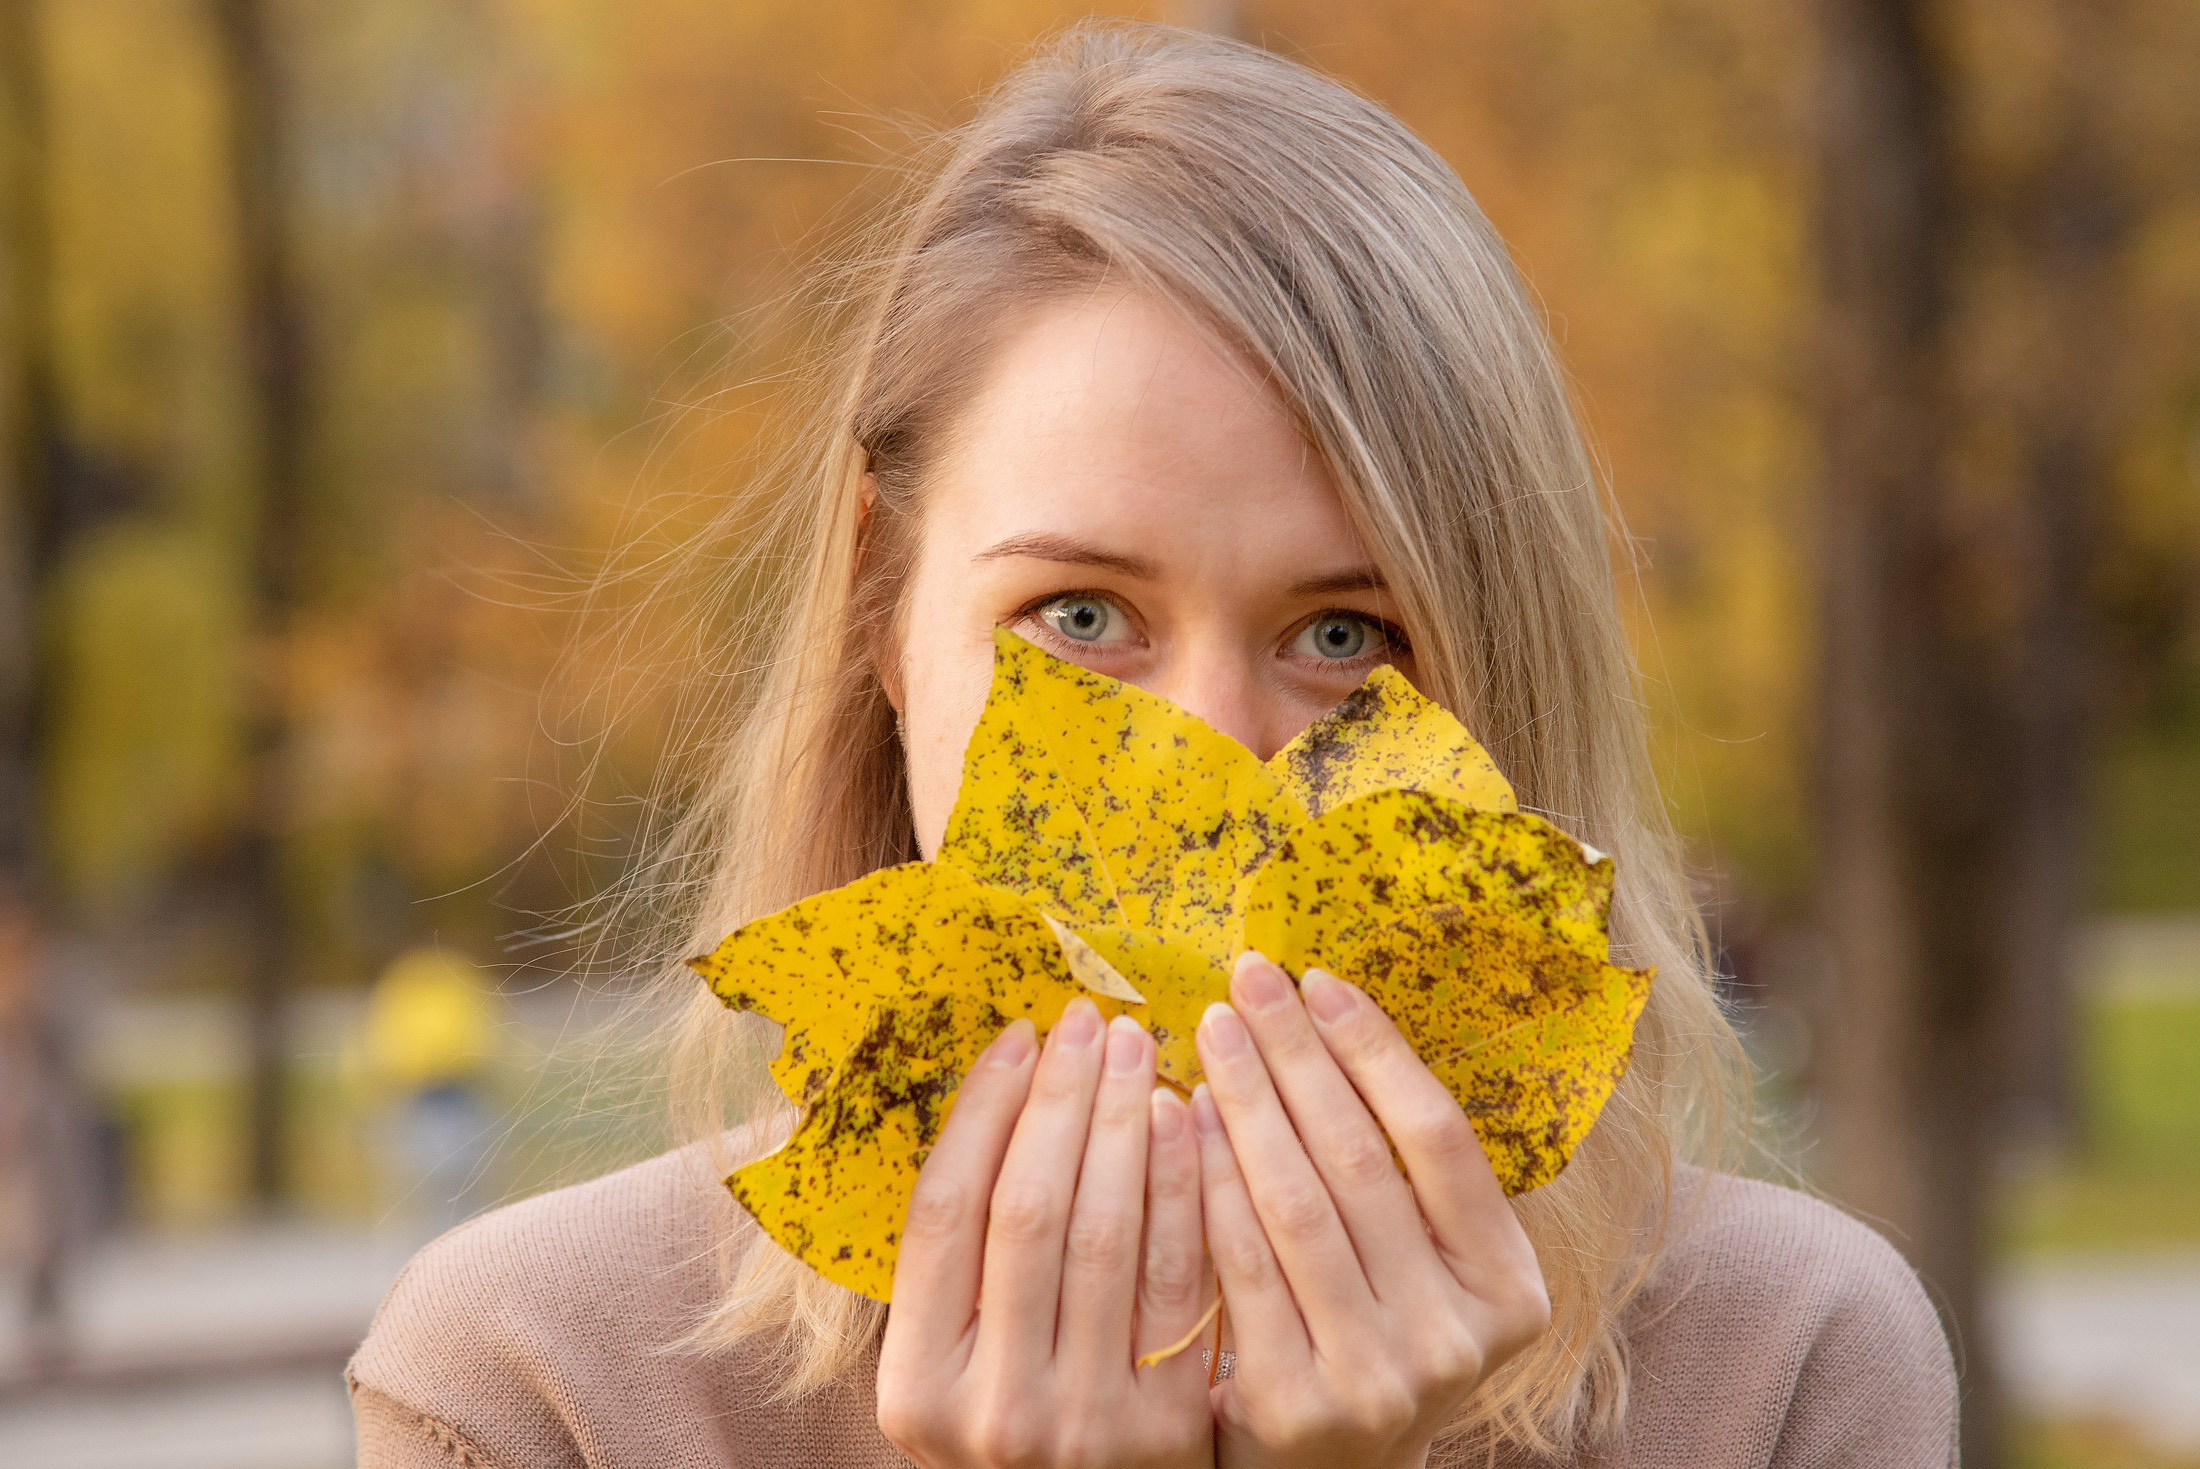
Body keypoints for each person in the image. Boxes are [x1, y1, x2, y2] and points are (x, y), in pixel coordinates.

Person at [347, 22, 1957, 1468]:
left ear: (1499, 687)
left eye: (1345, 638)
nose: (1207, 768)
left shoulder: (1784, 1371)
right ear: (882, 616)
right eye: (1080, 619)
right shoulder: (534, 1387)